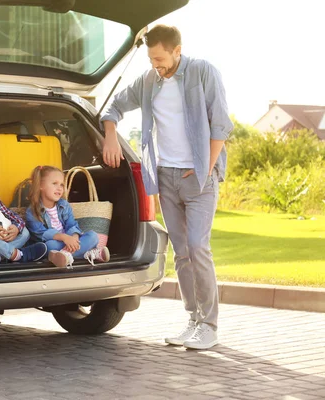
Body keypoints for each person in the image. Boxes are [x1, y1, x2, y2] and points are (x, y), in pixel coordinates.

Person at [100, 25, 233, 350]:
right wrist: (111, 133)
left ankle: (209, 325)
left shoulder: (202, 71)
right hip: (166, 177)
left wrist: (202, 169)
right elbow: (112, 107)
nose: (155, 64)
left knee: (199, 247)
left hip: (198, 177)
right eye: (151, 58)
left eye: (160, 58)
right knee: (183, 253)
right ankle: (193, 320)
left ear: (177, 50)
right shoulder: (149, 81)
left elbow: (221, 125)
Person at [25, 166, 110, 268]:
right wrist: (65, 238)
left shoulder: (64, 205)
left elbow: (71, 224)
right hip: (54, 242)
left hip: (68, 241)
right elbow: (41, 234)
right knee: (49, 246)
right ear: (40, 185)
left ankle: (64, 256)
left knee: (93, 236)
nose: (59, 188)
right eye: (54, 183)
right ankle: (88, 253)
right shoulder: (32, 211)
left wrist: (74, 237)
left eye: (62, 184)